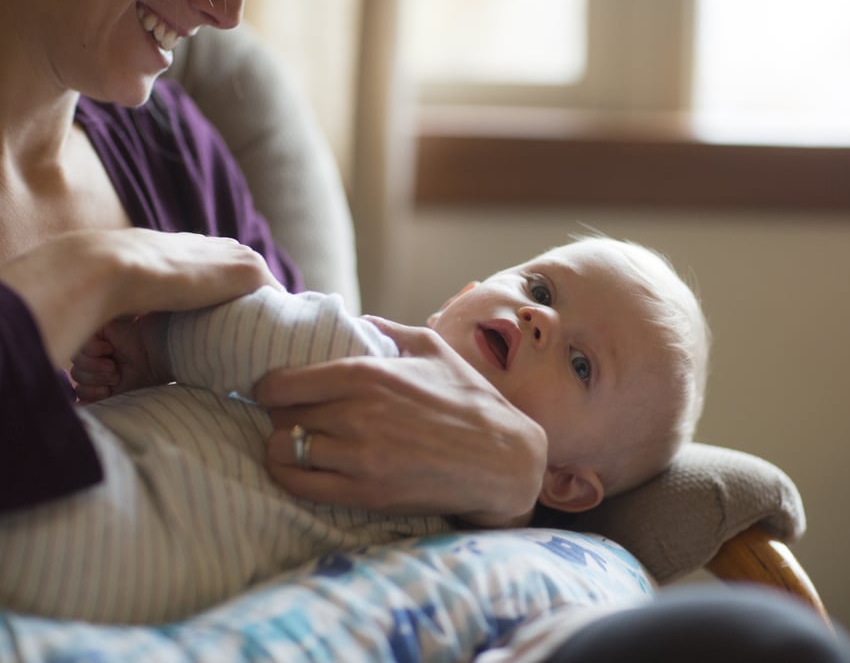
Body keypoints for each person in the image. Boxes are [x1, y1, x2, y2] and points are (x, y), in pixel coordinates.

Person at [0, 0, 545, 528]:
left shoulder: (175, 149)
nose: (226, 10)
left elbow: (330, 452)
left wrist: (514, 472)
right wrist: (98, 272)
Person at [0, 236, 707, 624]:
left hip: (81, 511)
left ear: (566, 483)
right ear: (459, 298)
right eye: (541, 288)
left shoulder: (375, 364)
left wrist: (161, 341)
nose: (537, 317)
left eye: (582, 363)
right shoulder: (436, 551)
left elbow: (251, 330)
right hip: (106, 593)